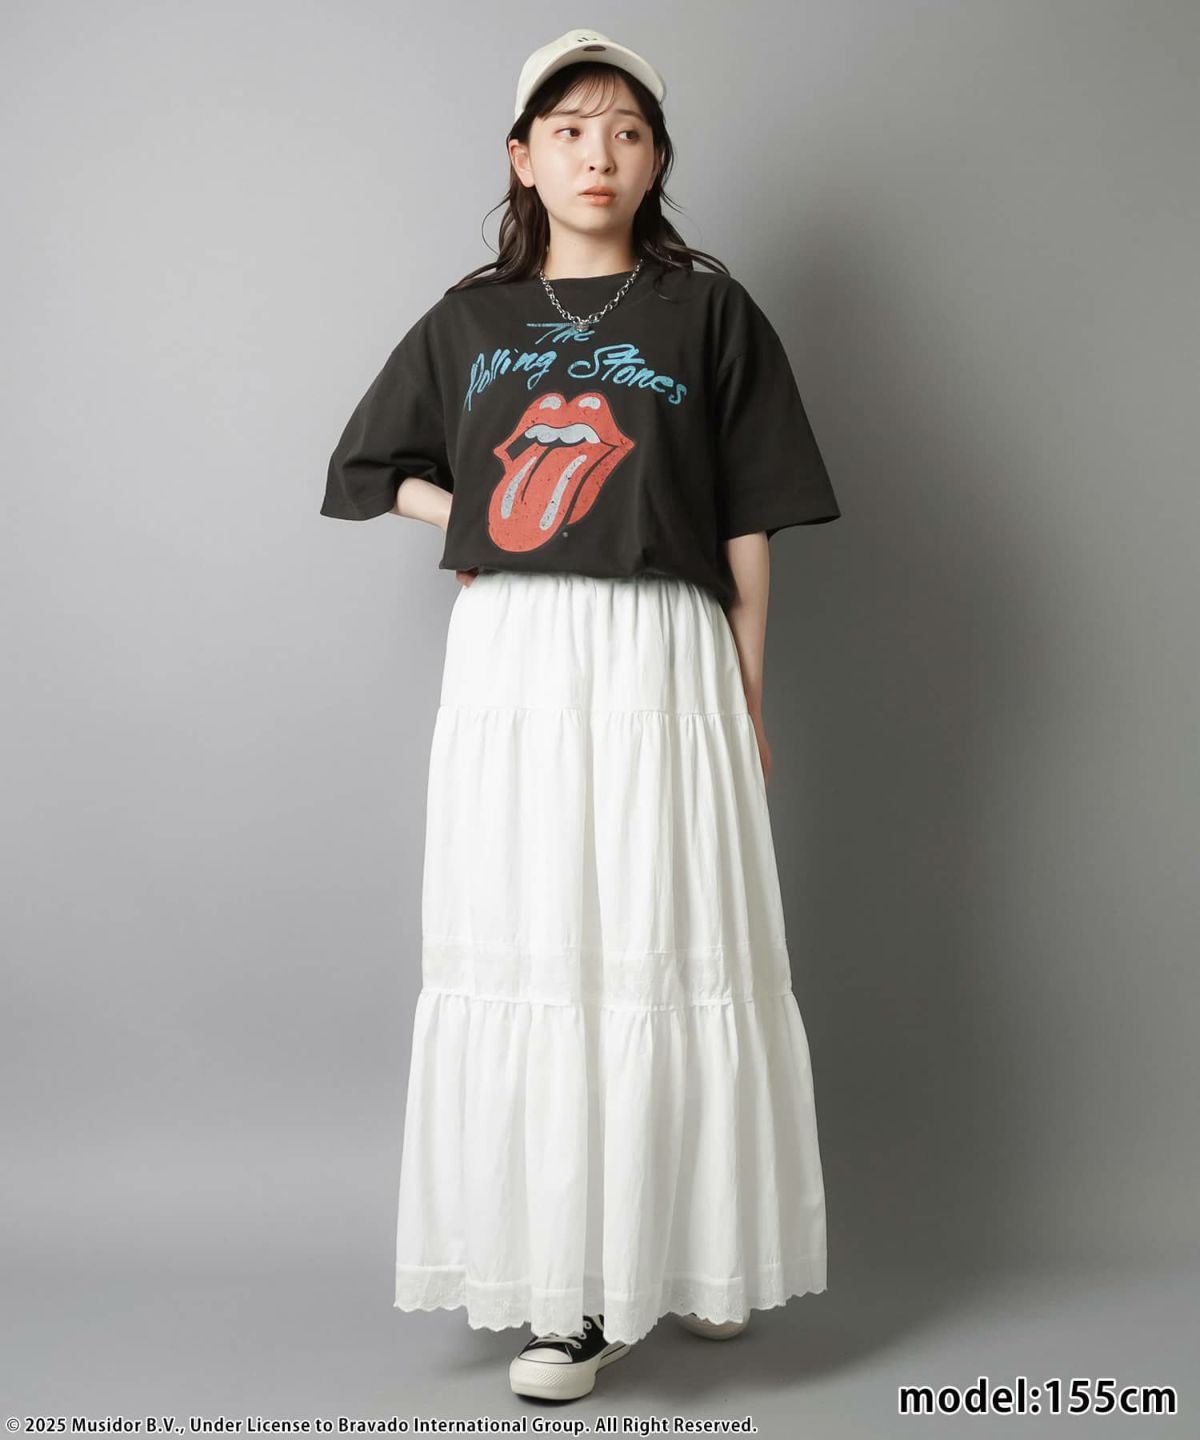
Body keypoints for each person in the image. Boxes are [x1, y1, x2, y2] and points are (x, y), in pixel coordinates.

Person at [321, 27, 841, 1404]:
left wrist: (746, 695)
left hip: (663, 651)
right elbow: (369, 466)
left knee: (669, 939)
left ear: (656, 158)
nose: (595, 154)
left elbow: (747, 518)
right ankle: (577, 1289)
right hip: (518, 659)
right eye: (567, 130)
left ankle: (692, 1253)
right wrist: (478, 520)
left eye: (623, 130)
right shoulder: (470, 321)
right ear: (522, 157)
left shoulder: (707, 312)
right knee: (546, 939)